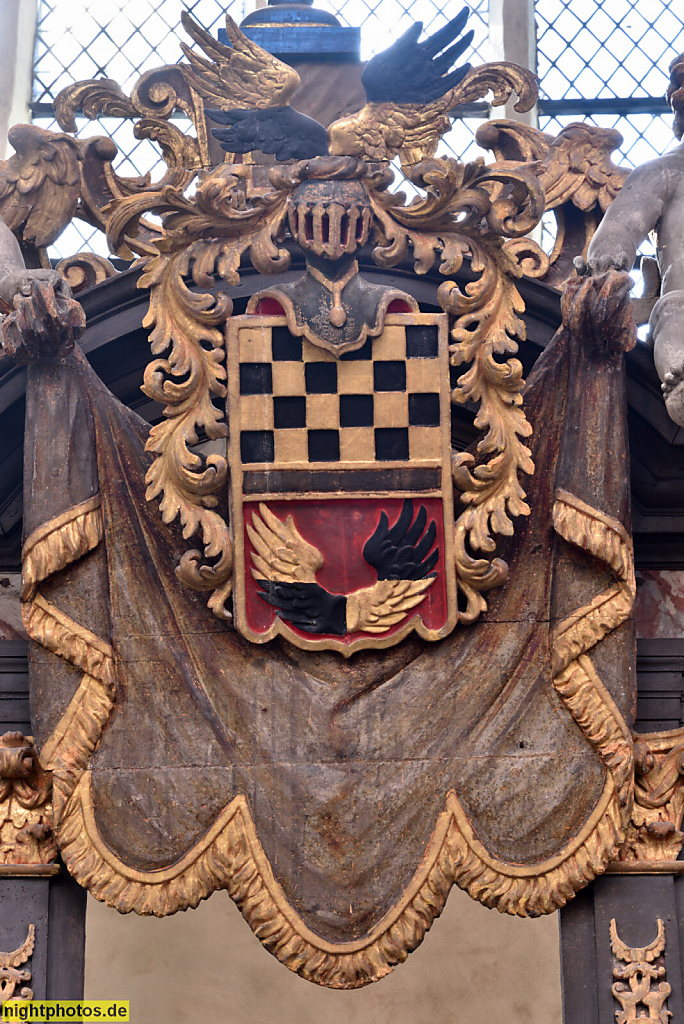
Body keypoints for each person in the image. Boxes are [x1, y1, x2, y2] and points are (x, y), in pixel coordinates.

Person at [583, 52, 684, 426]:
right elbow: (620, 230)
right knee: (674, 312)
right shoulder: (665, 172)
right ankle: (680, 380)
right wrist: (609, 261)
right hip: (681, 302)